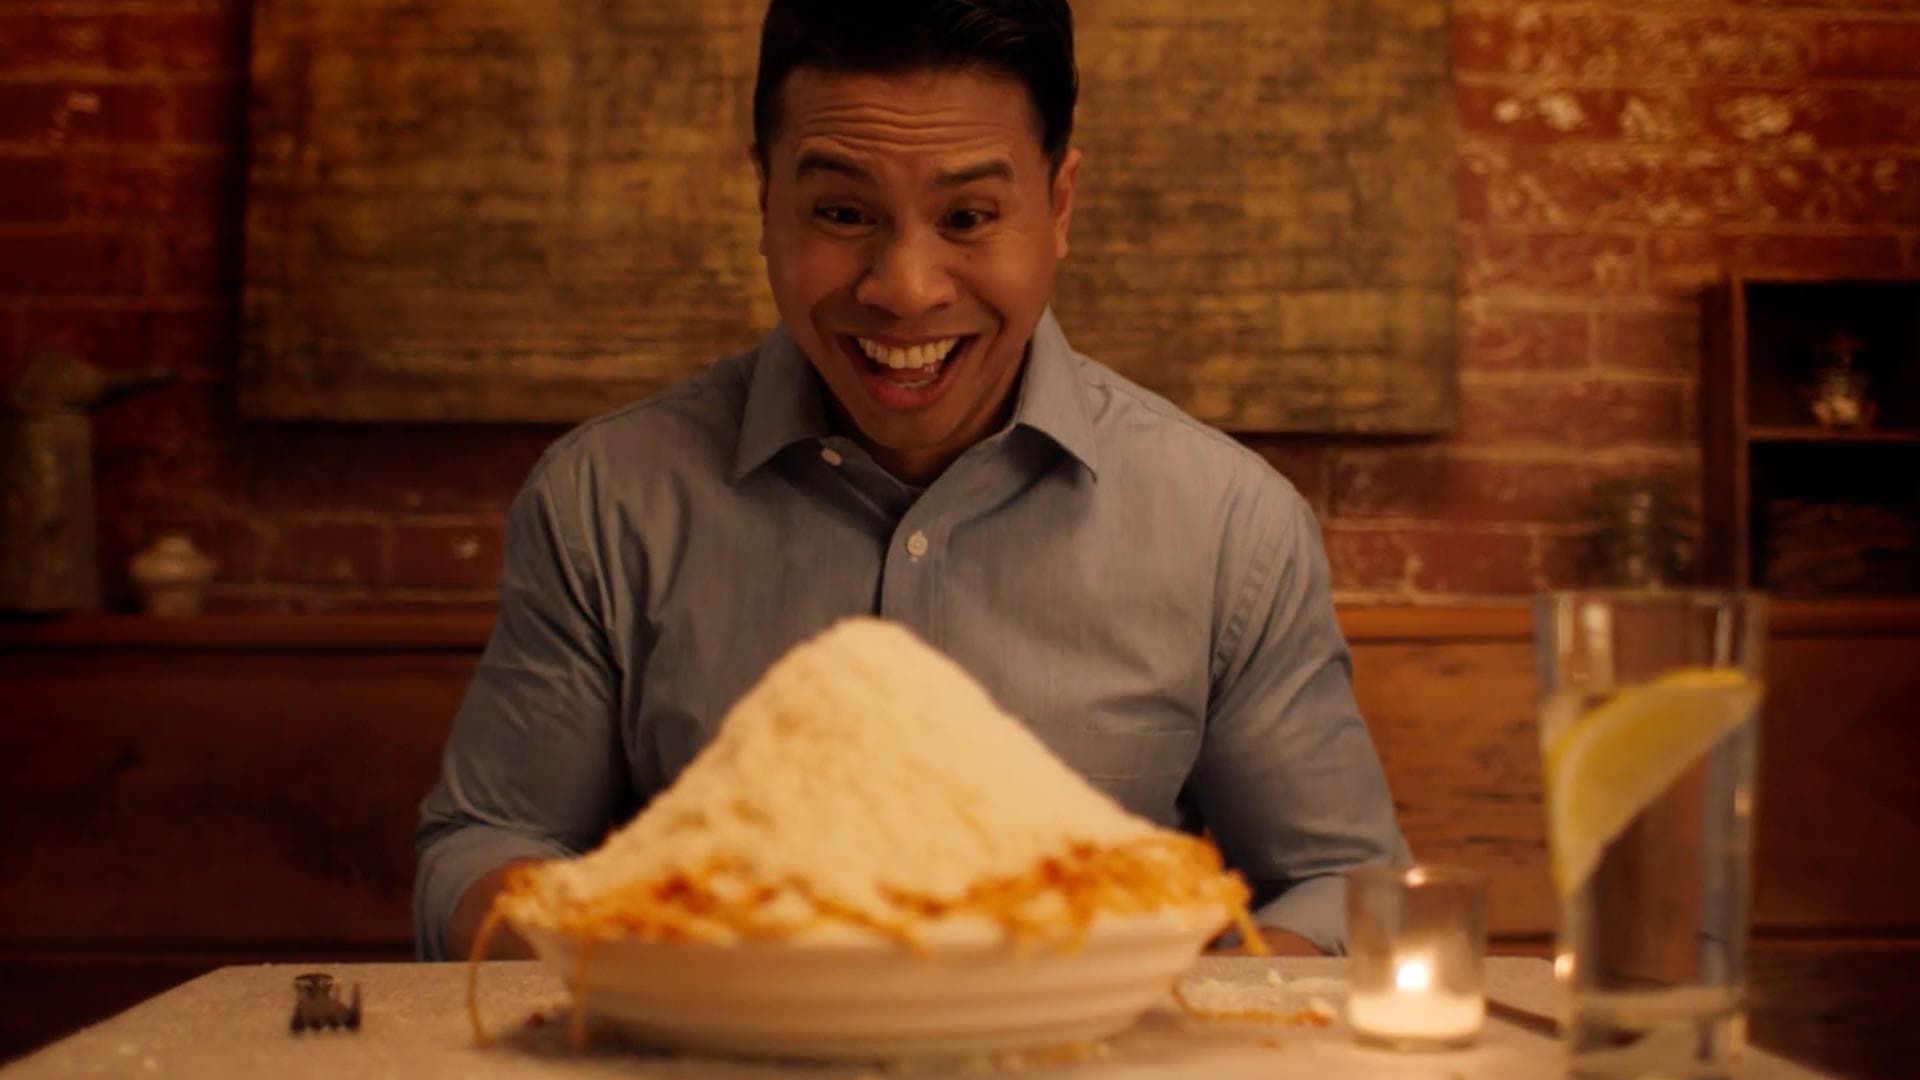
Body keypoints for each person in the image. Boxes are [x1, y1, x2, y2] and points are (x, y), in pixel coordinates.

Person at [414, 0, 1408, 963]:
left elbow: (1346, 883)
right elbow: (485, 844)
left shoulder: (1230, 526)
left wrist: (1149, 991)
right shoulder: (605, 503)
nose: (904, 287)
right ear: (765, 201)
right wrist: (666, 958)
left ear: (1058, 206)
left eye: (969, 216)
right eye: (842, 212)